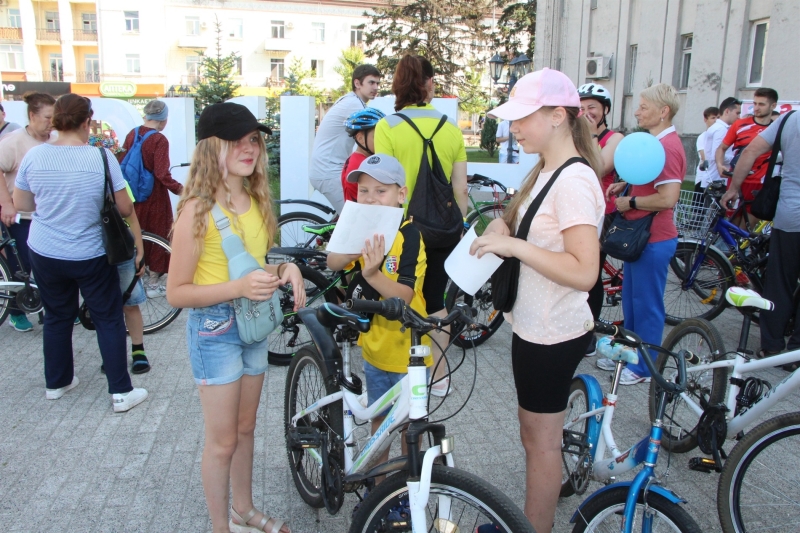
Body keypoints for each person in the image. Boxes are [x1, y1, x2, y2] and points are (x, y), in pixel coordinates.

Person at [469, 68, 604, 533]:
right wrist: (501, 229)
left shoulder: (573, 180)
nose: (514, 128)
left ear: (558, 116)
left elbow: (584, 270)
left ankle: (535, 528)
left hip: (553, 330)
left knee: (542, 442)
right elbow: (521, 224)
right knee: (534, 435)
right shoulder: (547, 168)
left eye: (523, 117)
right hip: (533, 324)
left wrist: (515, 247)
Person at [166, 102, 302, 533]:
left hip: (253, 324)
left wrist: (284, 269)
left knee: (246, 429)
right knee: (222, 441)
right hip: (214, 329)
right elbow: (175, 293)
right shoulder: (196, 210)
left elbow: (255, 266)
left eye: (254, 140)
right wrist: (238, 289)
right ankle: (219, 526)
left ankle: (244, 510)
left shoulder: (257, 199)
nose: (250, 148)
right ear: (212, 146)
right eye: (238, 139)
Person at [12, 94, 148, 411]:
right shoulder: (100, 158)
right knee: (108, 318)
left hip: (45, 250)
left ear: (56, 120)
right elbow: (125, 207)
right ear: (88, 121)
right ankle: (120, 391)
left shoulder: (34, 156)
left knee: (58, 316)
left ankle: (57, 383)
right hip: (90, 253)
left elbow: (22, 204)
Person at [327, 154, 429, 477]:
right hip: (374, 352)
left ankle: (407, 483)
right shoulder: (361, 228)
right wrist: (354, 249)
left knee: (411, 429)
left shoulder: (410, 236)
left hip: (409, 354)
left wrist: (372, 275)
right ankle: (378, 484)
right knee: (379, 422)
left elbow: (404, 296)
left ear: (402, 194)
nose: (370, 198)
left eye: (380, 191)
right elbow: (332, 262)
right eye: (364, 191)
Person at [374, 54, 468, 397]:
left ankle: (401, 367)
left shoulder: (388, 126)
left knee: (400, 291)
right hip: (443, 228)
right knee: (435, 298)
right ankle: (439, 376)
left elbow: (383, 183)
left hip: (404, 229)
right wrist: (458, 226)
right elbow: (460, 189)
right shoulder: (451, 128)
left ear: (398, 85)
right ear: (429, 84)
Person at [604, 84, 686, 383]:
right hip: (643, 238)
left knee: (647, 306)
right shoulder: (654, 144)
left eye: (643, 106)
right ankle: (630, 354)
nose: (637, 111)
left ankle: (646, 368)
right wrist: (624, 186)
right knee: (633, 302)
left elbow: (667, 198)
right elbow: (648, 180)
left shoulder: (667, 147)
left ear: (663, 111)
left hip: (653, 238)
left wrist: (631, 201)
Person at [720, 110, 800, 368]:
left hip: (790, 217)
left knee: (779, 282)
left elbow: (751, 150)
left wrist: (734, 188)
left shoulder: (790, 120)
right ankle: (797, 349)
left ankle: (772, 347)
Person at [0, 92, 56, 332]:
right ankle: (16, 311)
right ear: (32, 115)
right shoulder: (13, 142)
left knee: (50, 266)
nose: (51, 122)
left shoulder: (55, 140)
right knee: (20, 266)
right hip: (21, 217)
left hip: (48, 216)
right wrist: (7, 204)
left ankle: (50, 309)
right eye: (47, 117)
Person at [117, 99, 183, 298]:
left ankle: (139, 277)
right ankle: (154, 282)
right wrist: (182, 190)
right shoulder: (159, 140)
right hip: (154, 197)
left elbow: (121, 160)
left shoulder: (132, 133)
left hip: (133, 195)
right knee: (159, 235)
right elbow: (162, 174)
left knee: (139, 235)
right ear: (163, 120)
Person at [578, 82, 623, 358]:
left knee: (590, 275)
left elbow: (598, 167)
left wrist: (591, 133)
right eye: (581, 108)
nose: (587, 112)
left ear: (605, 110)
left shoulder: (614, 138)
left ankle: (590, 333)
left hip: (602, 212)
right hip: (578, 208)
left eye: (592, 107)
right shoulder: (576, 134)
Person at [309, 64, 381, 213]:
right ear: (357, 83)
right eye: (371, 82)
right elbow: (376, 133)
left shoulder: (351, 100)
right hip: (328, 172)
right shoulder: (353, 104)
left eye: (377, 83)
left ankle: (331, 235)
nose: (375, 87)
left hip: (332, 169)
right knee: (356, 215)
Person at [716, 88, 778, 220]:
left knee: (747, 232)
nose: (756, 108)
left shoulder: (776, 129)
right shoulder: (740, 124)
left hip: (760, 184)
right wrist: (719, 164)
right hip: (737, 180)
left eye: (761, 104)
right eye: (755, 103)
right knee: (731, 226)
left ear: (773, 106)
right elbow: (722, 148)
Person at [340, 107, 385, 204]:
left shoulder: (357, 159)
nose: (383, 140)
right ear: (360, 138)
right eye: (377, 136)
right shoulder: (361, 166)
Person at [704, 96, 741, 186]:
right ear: (727, 111)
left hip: (714, 178)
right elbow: (716, 154)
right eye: (737, 113)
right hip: (717, 180)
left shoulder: (718, 127)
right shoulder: (721, 129)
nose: (739, 117)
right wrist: (736, 159)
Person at [695, 106, 720, 193]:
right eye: (713, 118)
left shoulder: (720, 135)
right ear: (705, 120)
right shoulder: (703, 137)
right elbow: (704, 157)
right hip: (704, 177)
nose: (716, 120)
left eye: (718, 117)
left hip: (717, 177)